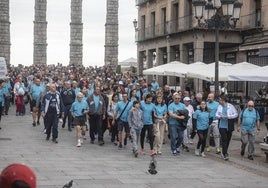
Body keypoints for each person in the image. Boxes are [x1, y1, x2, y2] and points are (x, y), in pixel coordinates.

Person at [216, 95, 238, 160]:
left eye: (220, 100)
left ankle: (225, 151)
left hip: (229, 125)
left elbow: (236, 114)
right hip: (221, 125)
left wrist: (228, 116)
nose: (219, 101)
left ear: (223, 100)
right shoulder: (219, 106)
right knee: (224, 139)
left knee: (228, 139)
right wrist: (220, 116)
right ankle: (225, 153)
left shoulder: (231, 106)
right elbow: (216, 114)